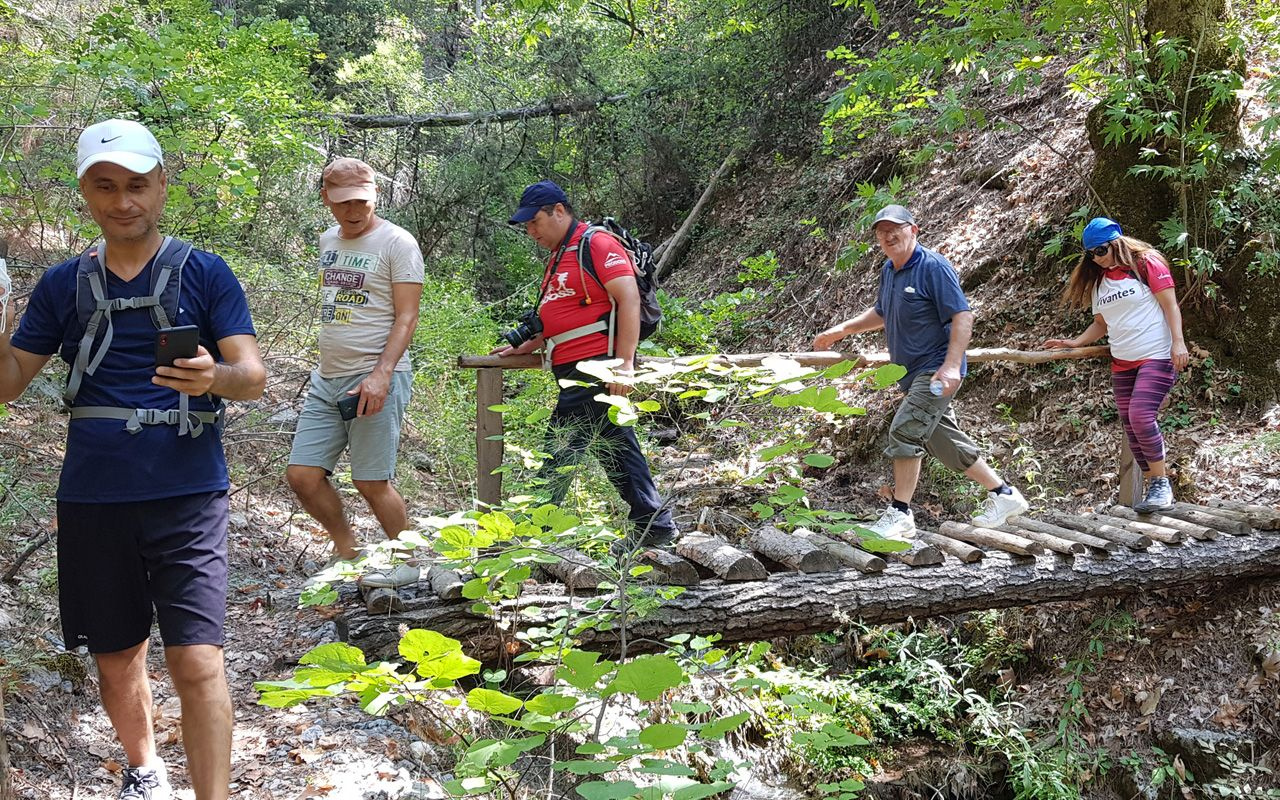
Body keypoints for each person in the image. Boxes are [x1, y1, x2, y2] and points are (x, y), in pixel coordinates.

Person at [0, 119, 267, 800]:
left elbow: (253, 375)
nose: (124, 201)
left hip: (189, 491)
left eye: (137, 186)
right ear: (85, 193)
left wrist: (215, 379)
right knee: (116, 656)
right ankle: (146, 770)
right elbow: (8, 383)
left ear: (162, 187)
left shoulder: (205, 272)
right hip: (93, 495)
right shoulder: (63, 285)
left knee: (198, 659)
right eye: (106, 186)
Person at [812, 204, 1029, 538]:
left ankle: (900, 515)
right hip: (910, 373)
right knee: (942, 440)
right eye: (881, 231)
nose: (888, 235)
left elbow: (963, 316)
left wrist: (952, 365)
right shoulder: (890, 270)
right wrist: (840, 330)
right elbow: (882, 312)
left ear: (914, 230)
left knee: (905, 431)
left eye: (895, 228)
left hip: (936, 371)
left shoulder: (932, 267)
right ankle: (1004, 495)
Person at [492, 180, 677, 547]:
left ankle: (533, 534)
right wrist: (531, 342)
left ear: (558, 211)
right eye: (526, 225)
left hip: (595, 364)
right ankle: (654, 526)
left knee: (560, 448)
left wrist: (625, 364)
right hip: (572, 364)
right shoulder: (561, 255)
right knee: (616, 448)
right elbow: (564, 313)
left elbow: (627, 299)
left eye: (535, 222)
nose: (531, 231)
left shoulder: (596, 243)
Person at [285, 157, 424, 586]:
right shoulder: (329, 240)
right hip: (328, 378)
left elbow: (407, 317)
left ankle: (410, 564)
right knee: (303, 475)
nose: (353, 210)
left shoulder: (397, 243)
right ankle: (348, 552)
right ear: (326, 198)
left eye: (361, 201)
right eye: (343, 202)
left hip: (376, 374)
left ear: (375, 194)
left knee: (370, 479)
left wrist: (382, 373)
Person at [1043, 217, 1188, 512]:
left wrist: (1178, 341)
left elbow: (1170, 304)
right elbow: (1101, 323)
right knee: (1130, 424)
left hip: (1156, 355)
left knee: (1141, 416)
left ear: (1116, 243)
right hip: (1123, 361)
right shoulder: (1100, 280)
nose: (1097, 258)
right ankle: (1153, 488)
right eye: (1091, 254)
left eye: (1101, 251)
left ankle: (1162, 484)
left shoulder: (1146, 263)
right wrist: (1075, 343)